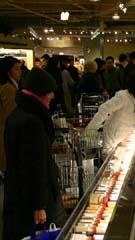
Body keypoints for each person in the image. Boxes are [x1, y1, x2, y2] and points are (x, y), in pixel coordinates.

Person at [3, 68, 67, 240]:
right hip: (31, 200)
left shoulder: (18, 114)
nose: (53, 97)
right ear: (40, 93)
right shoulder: (33, 122)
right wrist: (39, 205)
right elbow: (34, 167)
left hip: (18, 193)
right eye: (50, 92)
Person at [86, 71, 135, 158]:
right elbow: (104, 109)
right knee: (109, 161)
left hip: (124, 134)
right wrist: (91, 129)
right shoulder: (123, 96)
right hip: (113, 134)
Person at [0, 57, 21, 174]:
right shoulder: (9, 88)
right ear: (8, 71)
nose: (20, 72)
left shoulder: (7, 86)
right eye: (16, 69)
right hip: (5, 130)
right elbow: (10, 113)